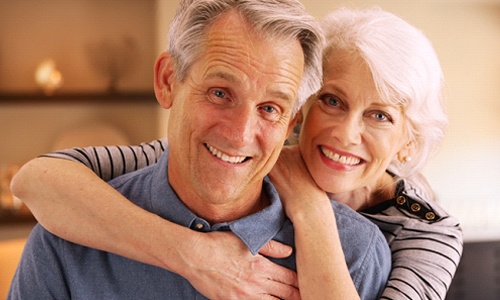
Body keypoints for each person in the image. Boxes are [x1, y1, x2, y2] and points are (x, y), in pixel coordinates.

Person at [8, 1, 392, 300]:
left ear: (290, 123)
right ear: (168, 81)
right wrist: (192, 255)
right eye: (220, 93)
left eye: (270, 109)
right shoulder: (68, 238)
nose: (240, 134)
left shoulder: (353, 254)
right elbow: (34, 179)